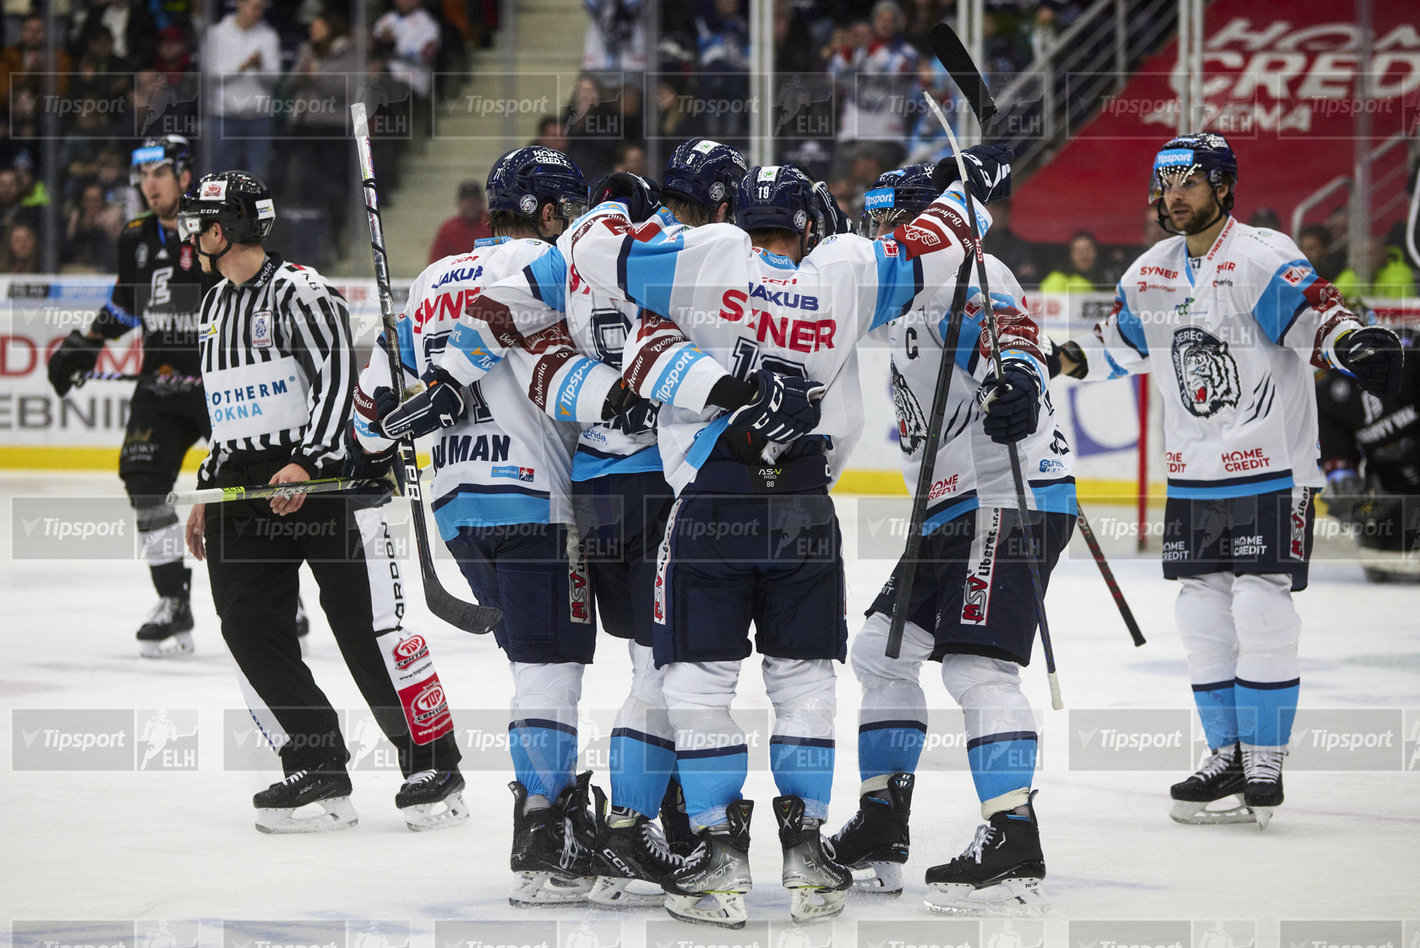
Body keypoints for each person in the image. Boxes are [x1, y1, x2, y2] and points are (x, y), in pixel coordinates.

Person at [562, 151, 1012, 925]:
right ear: (810, 226)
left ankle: (717, 859)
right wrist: (969, 189)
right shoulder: (843, 268)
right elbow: (943, 242)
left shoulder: (709, 254)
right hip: (805, 508)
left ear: (740, 215)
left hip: (712, 503)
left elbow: (592, 251)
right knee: (804, 683)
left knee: (697, 684)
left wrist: (613, 204)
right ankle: (807, 856)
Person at [1055, 132, 1404, 828]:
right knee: (1202, 616)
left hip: (1270, 468)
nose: (1173, 196)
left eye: (1188, 182)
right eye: (1165, 183)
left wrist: (1352, 341)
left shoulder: (1259, 255)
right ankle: (1227, 754)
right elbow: (1118, 348)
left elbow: (1316, 318)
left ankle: (1265, 760)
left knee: (1261, 608)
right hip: (1194, 476)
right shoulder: (1151, 273)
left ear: (1223, 187)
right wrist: (1053, 358)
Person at [455, 137, 750, 908]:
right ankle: (631, 830)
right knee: (667, 669)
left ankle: (639, 825)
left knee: (649, 664)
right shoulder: (672, 250)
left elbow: (497, 318)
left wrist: (440, 379)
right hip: (656, 483)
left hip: (593, 486)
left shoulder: (576, 256)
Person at [351, 146, 609, 899]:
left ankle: (545, 818)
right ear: (550, 211)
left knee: (531, 664)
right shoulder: (548, 266)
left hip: (458, 507)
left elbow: (374, 407)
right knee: (547, 671)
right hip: (533, 495)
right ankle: (544, 834)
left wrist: (375, 448)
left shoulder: (432, 279)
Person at [177, 170, 465, 833]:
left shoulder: (302, 293)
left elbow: (338, 382)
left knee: (367, 630)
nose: (192, 233)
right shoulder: (214, 305)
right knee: (250, 627)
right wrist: (208, 487)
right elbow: (223, 410)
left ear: (228, 227)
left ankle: (434, 765)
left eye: (202, 222)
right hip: (243, 494)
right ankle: (317, 770)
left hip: (331, 487)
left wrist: (306, 461)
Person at [827, 161, 1074, 917]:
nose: (876, 236)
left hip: (1007, 495)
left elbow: (1010, 339)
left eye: (884, 219)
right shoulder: (901, 297)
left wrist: (1020, 382)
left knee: (977, 668)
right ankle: (879, 822)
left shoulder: (966, 270)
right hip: (948, 512)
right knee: (880, 650)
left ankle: (1013, 834)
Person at [45, 137, 217, 657]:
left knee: (249, 490)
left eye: (160, 172)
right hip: (160, 385)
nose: (149, 183)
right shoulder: (136, 235)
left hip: (220, 387)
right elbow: (125, 303)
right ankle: (172, 599)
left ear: (185, 175)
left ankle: (286, 594)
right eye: (143, 175)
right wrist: (86, 343)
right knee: (142, 478)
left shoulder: (214, 227)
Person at [1316, 325, 1420, 583]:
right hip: (1392, 489)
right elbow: (1337, 459)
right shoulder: (1325, 392)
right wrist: (1349, 494)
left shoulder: (1412, 352)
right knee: (1386, 563)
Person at [202, 0, 281, 179]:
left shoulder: (269, 36)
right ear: (240, 4)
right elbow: (211, 74)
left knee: (258, 176)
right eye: (254, 7)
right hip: (223, 115)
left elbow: (274, 78)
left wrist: (259, 67)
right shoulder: (217, 34)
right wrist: (242, 66)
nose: (257, 12)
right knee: (221, 176)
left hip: (258, 118)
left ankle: (254, 208)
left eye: (261, 8)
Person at [426, 180, 491, 263]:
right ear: (459, 203)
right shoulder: (449, 229)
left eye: (474, 199)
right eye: (466, 200)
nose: (470, 204)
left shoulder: (493, 224)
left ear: (482, 202)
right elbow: (435, 261)